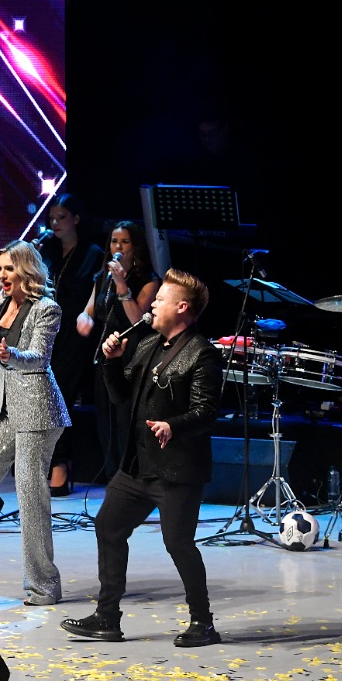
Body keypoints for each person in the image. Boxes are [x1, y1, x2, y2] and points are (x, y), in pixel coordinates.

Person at [61, 268, 224, 647]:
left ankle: (203, 623)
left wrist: (172, 426)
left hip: (176, 471)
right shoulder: (149, 344)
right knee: (108, 526)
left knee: (178, 543)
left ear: (182, 308)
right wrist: (112, 362)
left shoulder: (202, 353)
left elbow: (207, 411)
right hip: (138, 465)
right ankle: (107, 618)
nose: (152, 304)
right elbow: (121, 396)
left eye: (161, 299)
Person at [0, 240, 71, 606]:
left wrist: (11, 354)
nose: (2, 275)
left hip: (38, 408)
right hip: (2, 407)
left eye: (9, 269)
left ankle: (43, 586)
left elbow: (39, 358)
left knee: (30, 492)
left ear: (26, 271)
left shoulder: (47, 309)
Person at [76, 221, 161, 482]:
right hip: (108, 352)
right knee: (106, 419)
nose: (118, 247)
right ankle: (114, 479)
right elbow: (89, 309)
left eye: (125, 242)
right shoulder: (102, 277)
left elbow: (138, 320)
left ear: (136, 247)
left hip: (134, 352)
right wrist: (83, 318)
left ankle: (132, 479)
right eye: (114, 241)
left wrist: (122, 285)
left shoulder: (148, 280)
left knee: (127, 418)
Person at [37, 193, 103, 495]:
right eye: (51, 218)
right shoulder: (47, 251)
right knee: (41, 396)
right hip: (46, 332)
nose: (55, 223)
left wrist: (88, 314)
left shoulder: (92, 253)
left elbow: (96, 291)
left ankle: (60, 463)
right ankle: (50, 460)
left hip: (75, 335)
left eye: (61, 217)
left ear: (76, 219)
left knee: (59, 395)